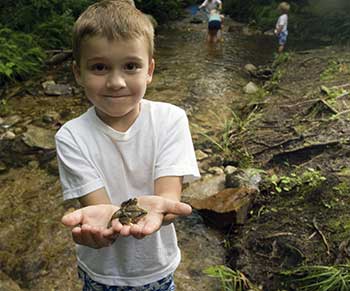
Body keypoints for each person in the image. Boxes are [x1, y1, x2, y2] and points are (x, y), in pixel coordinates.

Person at [55, 1, 200, 290]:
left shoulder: (171, 119)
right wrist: (101, 230)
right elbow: (102, 212)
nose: (116, 81)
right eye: (99, 67)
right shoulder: (70, 136)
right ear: (77, 72)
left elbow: (168, 198)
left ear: (150, 70)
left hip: (157, 267)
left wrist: (161, 208)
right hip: (100, 273)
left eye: (131, 66)